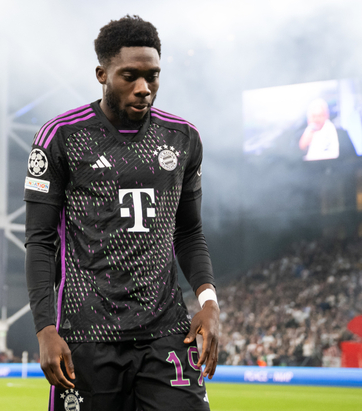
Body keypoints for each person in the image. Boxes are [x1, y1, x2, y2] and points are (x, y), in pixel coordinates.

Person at [24, 15, 219, 411]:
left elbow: (189, 232)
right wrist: (45, 328)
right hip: (87, 333)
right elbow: (40, 241)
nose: (144, 88)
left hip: (166, 332)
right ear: (102, 75)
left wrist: (209, 301)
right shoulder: (61, 136)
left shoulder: (182, 138)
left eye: (153, 76)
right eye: (130, 76)